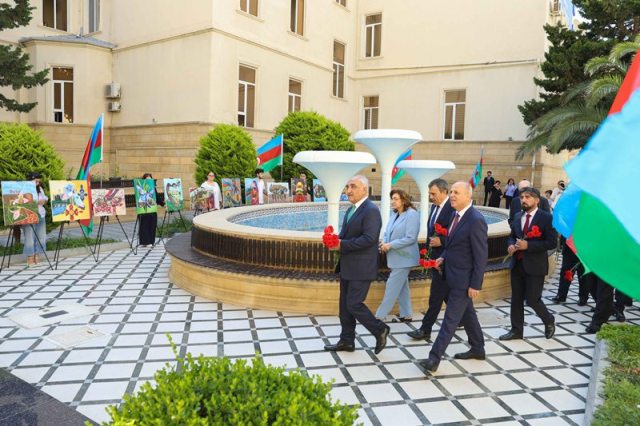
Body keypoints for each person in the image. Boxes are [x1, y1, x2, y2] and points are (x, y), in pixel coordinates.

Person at [419, 182, 488, 373]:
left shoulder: (476, 220)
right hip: (450, 274)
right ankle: (478, 348)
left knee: (449, 321)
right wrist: (443, 257)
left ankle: (433, 359)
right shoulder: (454, 215)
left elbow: (481, 256)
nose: (452, 195)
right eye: (451, 192)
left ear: (468, 196)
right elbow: (451, 244)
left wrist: (476, 284)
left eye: (456, 192)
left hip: (464, 281)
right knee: (468, 315)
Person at [324, 175, 390, 355]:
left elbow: (370, 239)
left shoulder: (371, 210)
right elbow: (347, 235)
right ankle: (347, 341)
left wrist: (342, 244)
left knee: (354, 304)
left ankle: (380, 329)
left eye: (353, 186)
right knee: (344, 307)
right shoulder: (351, 209)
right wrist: (334, 240)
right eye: (347, 187)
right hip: (348, 266)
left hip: (362, 267)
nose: (348, 190)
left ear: (364, 189)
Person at [500, 187, 557, 341]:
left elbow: (552, 243)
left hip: (535, 266)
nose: (523, 200)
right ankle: (516, 331)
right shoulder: (518, 216)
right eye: (522, 197)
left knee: (532, 299)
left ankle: (549, 319)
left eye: (527, 197)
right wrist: (510, 245)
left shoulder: (546, 218)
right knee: (516, 299)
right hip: (517, 264)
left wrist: (529, 246)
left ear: (537, 200)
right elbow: (512, 236)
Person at [407, 178, 454, 342]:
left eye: (433, 194)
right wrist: (427, 252)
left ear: (444, 192)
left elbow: (459, 235)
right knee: (445, 293)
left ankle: (425, 329)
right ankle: (462, 319)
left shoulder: (452, 209)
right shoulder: (434, 207)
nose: (431, 197)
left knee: (435, 296)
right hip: (434, 258)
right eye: (430, 194)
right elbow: (430, 231)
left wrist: (443, 241)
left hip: (446, 260)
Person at [375, 189, 420, 322]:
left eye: (395, 199)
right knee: (402, 287)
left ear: (403, 200)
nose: (392, 201)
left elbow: (411, 238)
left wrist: (390, 245)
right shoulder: (395, 214)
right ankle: (407, 314)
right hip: (395, 257)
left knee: (392, 286)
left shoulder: (412, 215)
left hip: (405, 258)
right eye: (392, 199)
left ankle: (379, 316)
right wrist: (384, 241)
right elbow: (387, 232)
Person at [551, 236, 592, 305]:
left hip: (584, 250)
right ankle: (561, 295)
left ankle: (583, 297)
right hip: (569, 250)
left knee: (583, 276)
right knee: (565, 274)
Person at [22, 172, 48, 267]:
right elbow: (22, 202)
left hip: (41, 214)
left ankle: (37, 255)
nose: (37, 182)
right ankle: (30, 257)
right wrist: (35, 202)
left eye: (38, 181)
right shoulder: (24, 189)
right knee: (29, 237)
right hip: (29, 215)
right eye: (35, 180)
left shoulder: (40, 189)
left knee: (41, 236)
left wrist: (44, 201)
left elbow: (45, 199)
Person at [138, 173, 162, 247]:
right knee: (143, 226)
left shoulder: (153, 188)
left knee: (152, 226)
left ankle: (151, 241)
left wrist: (163, 204)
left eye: (150, 179)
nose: (148, 181)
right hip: (143, 210)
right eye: (147, 179)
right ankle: (144, 242)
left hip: (152, 210)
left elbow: (157, 197)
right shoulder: (140, 187)